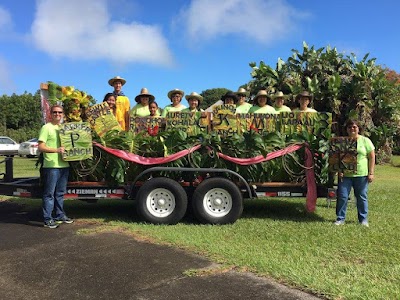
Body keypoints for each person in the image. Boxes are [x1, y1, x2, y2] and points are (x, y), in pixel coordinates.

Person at [38, 105, 73, 228]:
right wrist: (56, 150)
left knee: (60, 193)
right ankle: (48, 219)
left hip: (64, 165)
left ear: (62, 114)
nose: (57, 114)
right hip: (51, 166)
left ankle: (59, 215)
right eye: (55, 112)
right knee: (49, 193)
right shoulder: (46, 128)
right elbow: (41, 147)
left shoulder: (64, 128)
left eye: (60, 112)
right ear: (50, 114)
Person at [335, 119, 375, 227]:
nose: (352, 129)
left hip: (361, 175)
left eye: (354, 127)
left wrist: (371, 173)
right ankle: (340, 219)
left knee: (361, 197)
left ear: (358, 128)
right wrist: (339, 170)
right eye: (350, 127)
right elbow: (337, 158)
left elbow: (371, 157)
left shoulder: (365, 141)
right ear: (346, 129)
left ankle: (363, 219)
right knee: (342, 197)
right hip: (345, 175)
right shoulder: (342, 141)